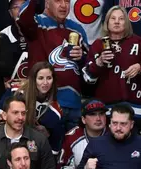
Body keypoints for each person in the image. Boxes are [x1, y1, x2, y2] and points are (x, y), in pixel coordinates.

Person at [16, 0, 89, 130]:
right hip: (44, 102)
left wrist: (81, 57)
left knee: (71, 148)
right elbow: (23, 17)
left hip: (74, 102)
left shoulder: (77, 29)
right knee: (44, 147)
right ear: (47, 3)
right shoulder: (37, 23)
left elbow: (90, 66)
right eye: (57, 1)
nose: (63, 5)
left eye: (66, 1)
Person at [83, 6, 141, 121]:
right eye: (113, 18)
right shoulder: (98, 45)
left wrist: (140, 67)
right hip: (106, 108)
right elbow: (87, 79)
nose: (117, 22)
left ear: (126, 23)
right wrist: (99, 62)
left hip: (135, 107)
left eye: (121, 19)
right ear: (107, 22)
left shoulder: (139, 42)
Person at [0, 62, 65, 154]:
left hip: (32, 152)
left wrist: (47, 134)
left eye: (49, 78)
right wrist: (1, 121)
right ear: (33, 79)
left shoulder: (55, 111)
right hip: (5, 146)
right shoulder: (15, 92)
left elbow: (55, 147)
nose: (45, 82)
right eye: (40, 78)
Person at [57, 99, 106, 169]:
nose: (98, 118)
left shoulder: (114, 135)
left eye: (101, 113)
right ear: (83, 119)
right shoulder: (72, 137)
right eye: (92, 114)